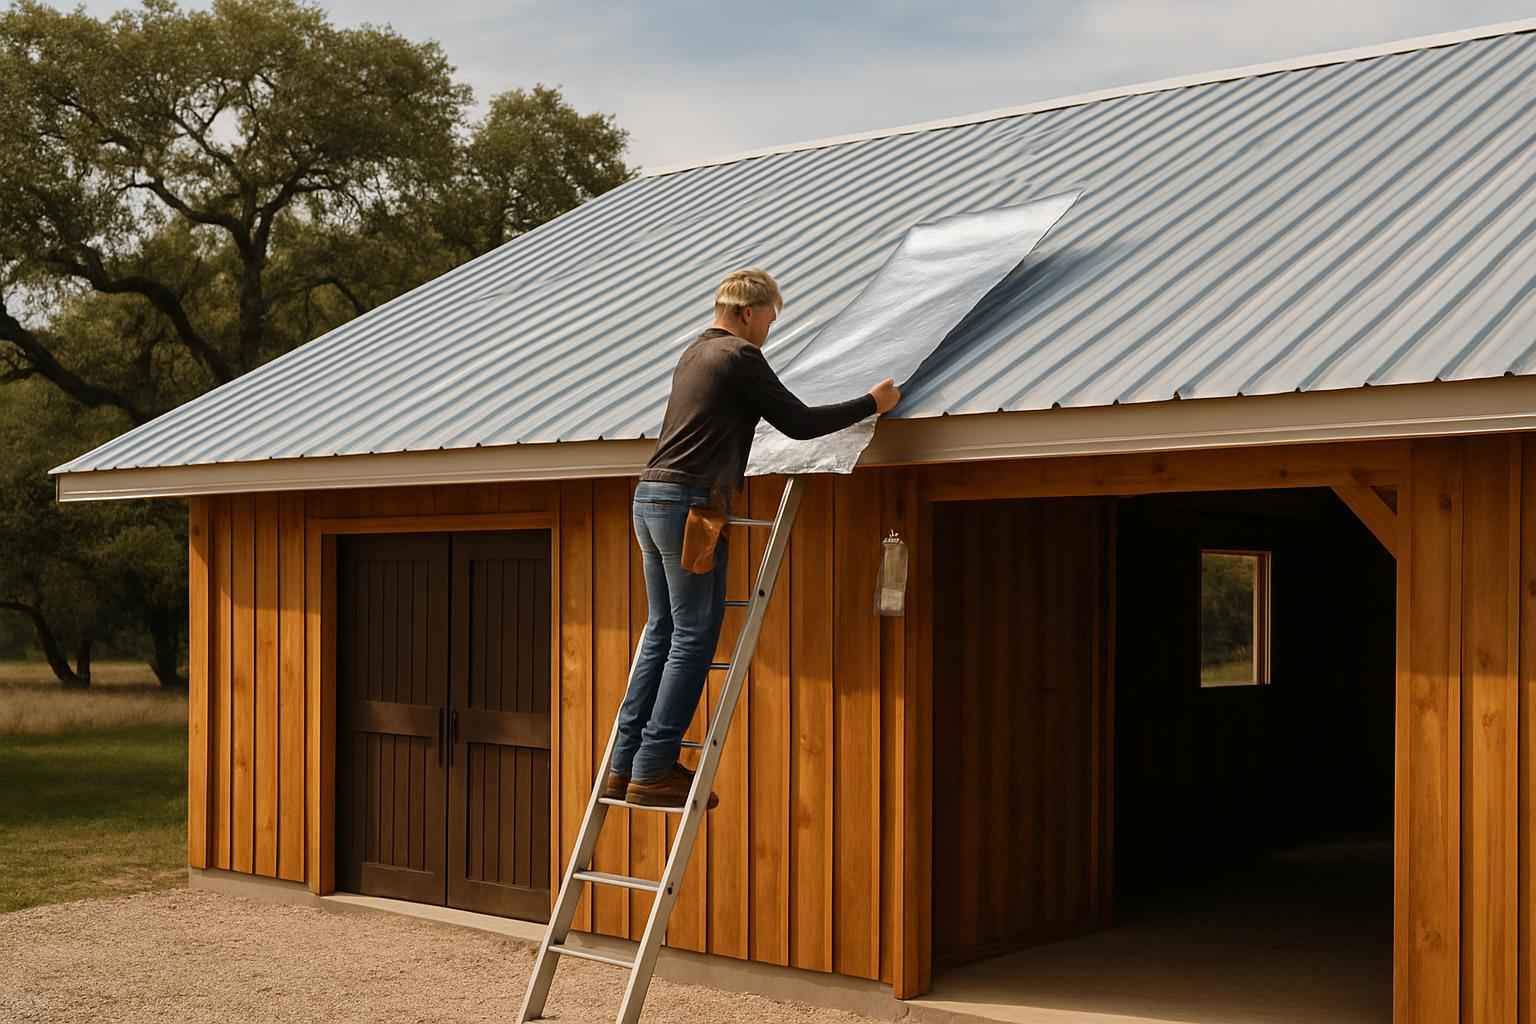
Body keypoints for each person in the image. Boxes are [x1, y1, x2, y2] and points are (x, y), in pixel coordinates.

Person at [607, 268, 901, 808]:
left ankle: (622, 766)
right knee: (693, 636)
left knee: (662, 630)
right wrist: (871, 403)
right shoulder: (740, 357)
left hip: (649, 499)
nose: (769, 328)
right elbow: (798, 423)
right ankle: (652, 769)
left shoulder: (695, 352)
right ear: (747, 312)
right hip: (690, 508)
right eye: (769, 317)